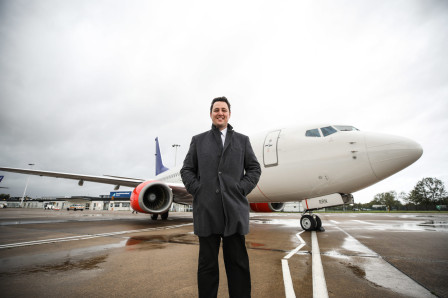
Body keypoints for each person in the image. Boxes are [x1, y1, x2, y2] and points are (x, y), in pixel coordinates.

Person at [181, 97, 261, 298]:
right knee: (207, 266)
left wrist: (240, 189)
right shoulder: (198, 140)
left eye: (224, 110)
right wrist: (198, 189)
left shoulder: (242, 140)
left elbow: (254, 169)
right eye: (216, 109)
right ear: (211, 114)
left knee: (238, 266)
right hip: (207, 211)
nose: (220, 113)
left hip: (234, 211)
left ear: (229, 114)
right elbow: (187, 170)